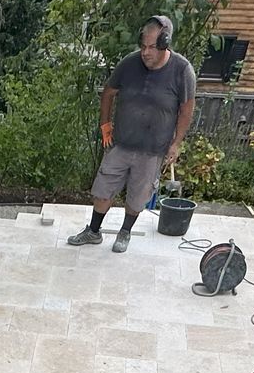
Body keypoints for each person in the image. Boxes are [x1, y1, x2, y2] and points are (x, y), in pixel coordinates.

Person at [68, 15, 196, 255]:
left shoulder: (181, 70)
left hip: (152, 149)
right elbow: (108, 93)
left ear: (165, 44)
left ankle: (125, 232)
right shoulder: (129, 64)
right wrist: (105, 125)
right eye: (143, 46)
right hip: (122, 143)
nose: (146, 53)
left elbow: (187, 110)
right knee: (103, 187)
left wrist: (176, 143)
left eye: (152, 48)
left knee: (138, 196)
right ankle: (93, 231)